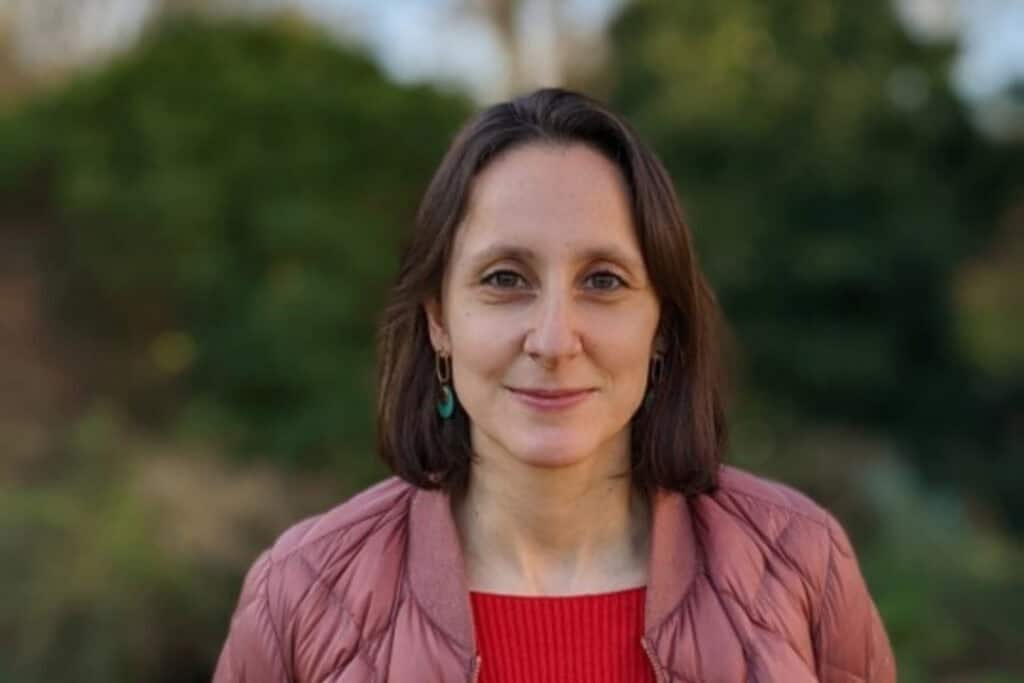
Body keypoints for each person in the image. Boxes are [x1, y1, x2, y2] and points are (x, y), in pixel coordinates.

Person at [212, 88, 896, 682]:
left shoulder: (801, 563)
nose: (553, 340)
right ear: (439, 320)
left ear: (662, 323)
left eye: (603, 280)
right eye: (505, 278)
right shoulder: (302, 591)